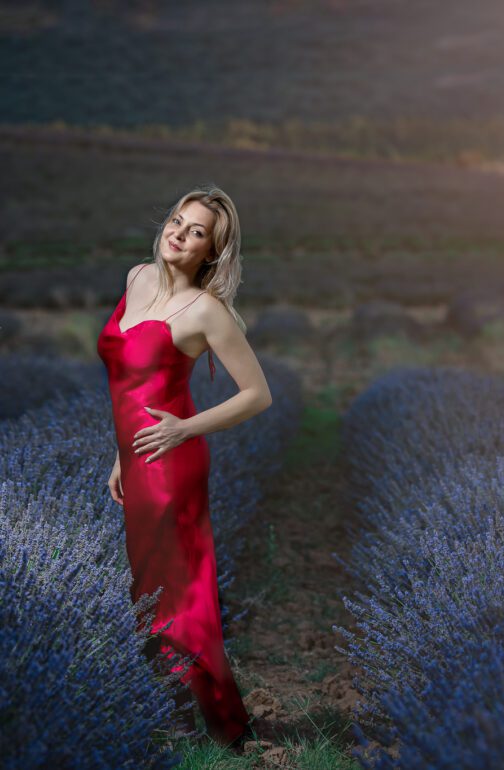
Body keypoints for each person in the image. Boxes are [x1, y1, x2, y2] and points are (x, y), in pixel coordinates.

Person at [96, 186, 272, 748]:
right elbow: (131, 383)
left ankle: (213, 724)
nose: (178, 233)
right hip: (139, 457)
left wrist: (184, 428)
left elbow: (258, 394)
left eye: (197, 231)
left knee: (178, 592)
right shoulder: (137, 277)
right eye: (177, 220)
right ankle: (170, 711)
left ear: (211, 251)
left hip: (172, 463)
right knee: (148, 586)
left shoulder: (205, 311)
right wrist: (121, 454)